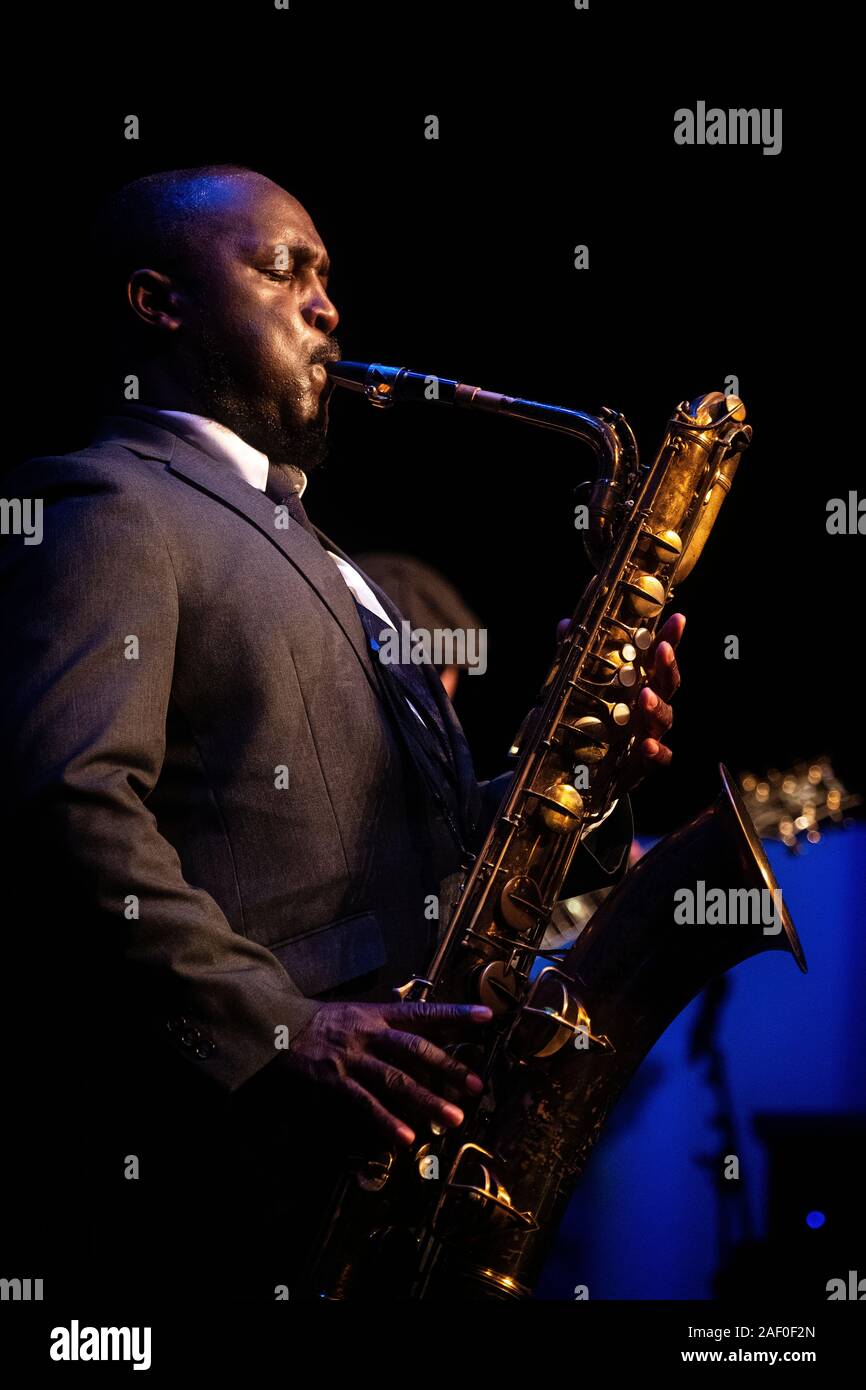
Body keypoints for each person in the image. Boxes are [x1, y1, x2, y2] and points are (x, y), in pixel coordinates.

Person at [0, 164, 684, 1300]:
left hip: (391, 1157)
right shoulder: (107, 503)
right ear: (157, 302)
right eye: (283, 269)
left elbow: (456, 850)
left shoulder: (328, 559)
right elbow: (63, 804)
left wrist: (586, 771)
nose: (326, 304)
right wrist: (275, 1029)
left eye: (327, 275)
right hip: (241, 1184)